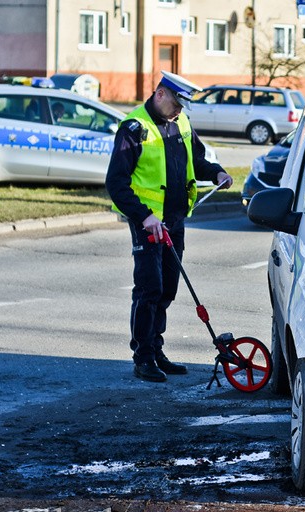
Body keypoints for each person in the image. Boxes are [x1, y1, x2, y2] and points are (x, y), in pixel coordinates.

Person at [106, 71, 233, 382]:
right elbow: (116, 182)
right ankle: (143, 357)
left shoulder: (181, 123)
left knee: (168, 290)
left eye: (183, 106)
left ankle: (156, 348)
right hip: (149, 223)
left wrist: (216, 173)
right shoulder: (134, 129)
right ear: (160, 94)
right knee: (149, 288)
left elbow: (197, 160)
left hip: (175, 220)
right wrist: (144, 217)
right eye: (176, 103)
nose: (179, 110)